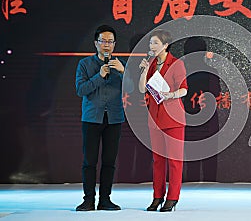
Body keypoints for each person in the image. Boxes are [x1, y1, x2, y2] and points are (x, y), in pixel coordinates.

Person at [75, 24, 126, 211]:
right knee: (90, 161)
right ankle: (88, 199)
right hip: (91, 119)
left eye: (110, 42)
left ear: (114, 44)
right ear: (96, 43)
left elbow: (133, 88)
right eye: (103, 41)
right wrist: (99, 76)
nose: (107, 45)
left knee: (109, 161)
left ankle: (105, 199)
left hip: (114, 119)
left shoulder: (120, 65)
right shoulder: (85, 64)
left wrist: (123, 72)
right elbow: (81, 90)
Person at [138, 29, 188, 212]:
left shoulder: (176, 64)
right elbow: (143, 89)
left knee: (174, 161)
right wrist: (144, 71)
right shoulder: (151, 64)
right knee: (158, 160)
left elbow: (184, 89)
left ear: (165, 45)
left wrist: (170, 95)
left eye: (155, 43)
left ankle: (172, 197)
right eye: (150, 43)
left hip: (174, 118)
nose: (152, 47)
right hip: (155, 118)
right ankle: (157, 196)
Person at [182, 37, 221, 182]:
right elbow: (217, 94)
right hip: (209, 119)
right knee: (210, 159)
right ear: (204, 52)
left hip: (188, 118)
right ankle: (210, 189)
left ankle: (191, 189)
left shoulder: (182, 71)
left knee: (191, 158)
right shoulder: (211, 71)